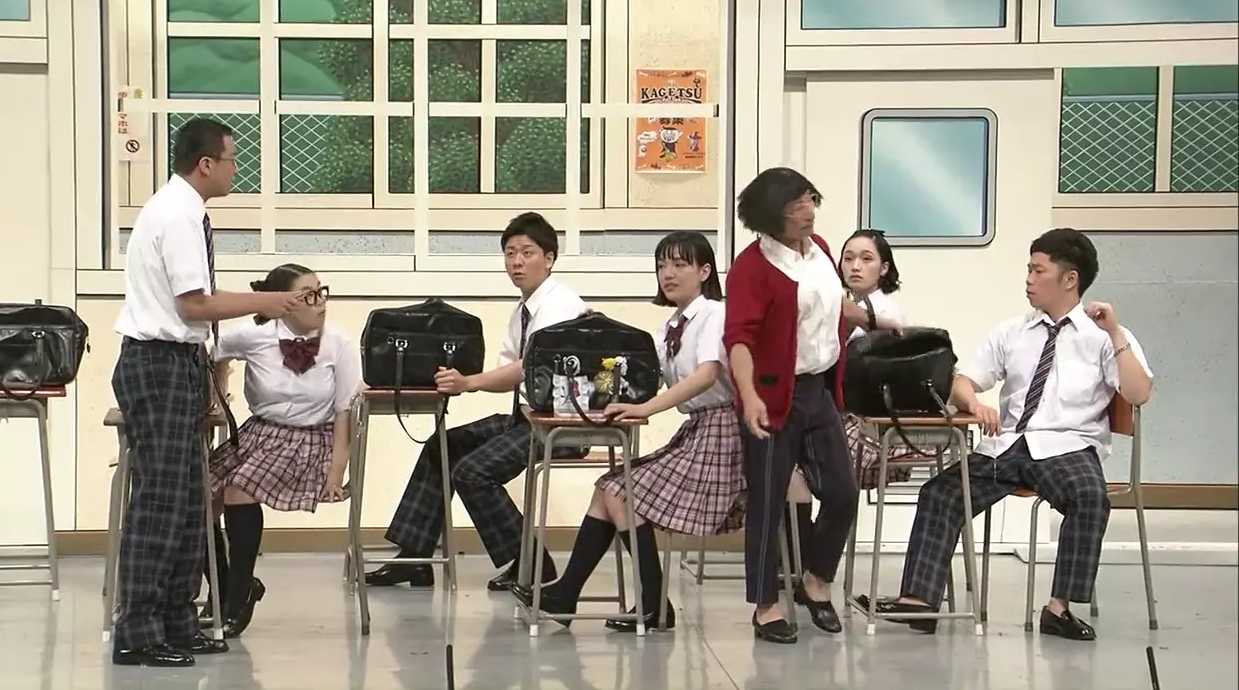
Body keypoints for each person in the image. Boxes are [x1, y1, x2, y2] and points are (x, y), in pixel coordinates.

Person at [860, 228, 1153, 641]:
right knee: (940, 493)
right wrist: (974, 403)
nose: (1028, 279)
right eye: (1028, 269)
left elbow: (1138, 394)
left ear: (1070, 279)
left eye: (1038, 270)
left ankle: (1059, 608)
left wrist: (1116, 334)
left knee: (1090, 497)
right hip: (1008, 445)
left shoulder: (1103, 337)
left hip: (1068, 446)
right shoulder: (1013, 332)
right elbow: (963, 381)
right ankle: (920, 601)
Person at [110, 118, 301, 667]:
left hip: (180, 362)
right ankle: (138, 630)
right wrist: (265, 303)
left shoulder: (186, 211)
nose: (236, 170)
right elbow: (194, 305)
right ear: (206, 164)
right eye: (232, 160)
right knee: (161, 502)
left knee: (190, 503)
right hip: (158, 362)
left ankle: (177, 620)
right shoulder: (177, 215)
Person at [511, 231, 744, 632]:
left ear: (705, 271)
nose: (668, 274)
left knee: (620, 491)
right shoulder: (670, 325)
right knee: (610, 488)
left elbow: (707, 375)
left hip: (723, 434)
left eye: (680, 265)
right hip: (698, 430)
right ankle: (577, 594)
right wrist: (594, 346)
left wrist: (645, 408)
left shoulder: (714, 314)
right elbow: (637, 375)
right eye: (662, 265)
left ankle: (646, 603)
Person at [365, 212, 588, 591]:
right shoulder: (522, 310)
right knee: (442, 446)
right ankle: (415, 558)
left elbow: (528, 368)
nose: (516, 262)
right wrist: (458, 379)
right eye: (510, 253)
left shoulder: (561, 304)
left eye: (527, 253)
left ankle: (533, 563)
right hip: (527, 417)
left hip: (561, 424)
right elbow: (508, 376)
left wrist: (468, 383)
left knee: (472, 471)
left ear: (549, 258)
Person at [724, 167, 898, 644]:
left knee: (842, 492)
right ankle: (765, 605)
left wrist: (879, 321)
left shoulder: (819, 249)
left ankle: (815, 580)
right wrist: (750, 396)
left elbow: (833, 306)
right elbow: (738, 339)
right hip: (773, 397)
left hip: (819, 390)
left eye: (809, 200)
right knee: (768, 501)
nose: (808, 212)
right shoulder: (752, 268)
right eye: (796, 206)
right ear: (769, 217)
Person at [197, 263, 361, 639]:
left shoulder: (339, 342)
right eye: (308, 295)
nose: (320, 303)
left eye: (321, 292)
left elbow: (345, 412)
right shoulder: (255, 335)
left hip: (309, 439)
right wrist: (218, 392)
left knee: (239, 488)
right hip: (259, 434)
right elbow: (213, 352)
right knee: (197, 497)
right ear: (284, 302)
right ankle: (227, 585)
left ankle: (236, 596)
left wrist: (337, 473)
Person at [787, 229, 912, 609]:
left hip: (867, 423)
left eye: (866, 259)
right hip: (828, 412)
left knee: (822, 480)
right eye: (848, 258)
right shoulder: (833, 303)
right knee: (785, 474)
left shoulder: (888, 315)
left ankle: (811, 570)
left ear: (884, 268)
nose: (855, 266)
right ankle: (800, 569)